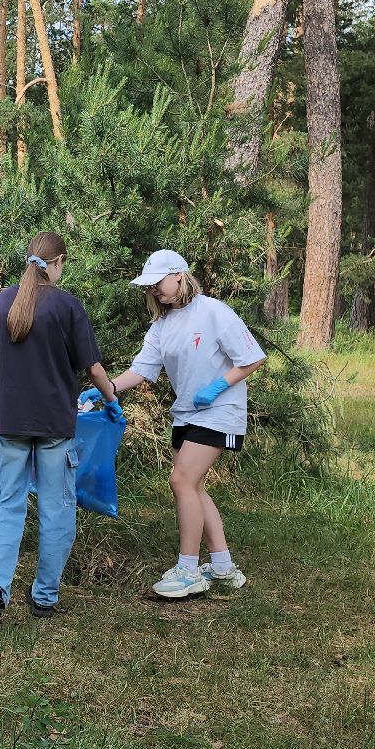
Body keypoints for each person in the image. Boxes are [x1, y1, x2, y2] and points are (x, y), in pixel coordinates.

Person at [84, 249, 267, 599]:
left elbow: (252, 358)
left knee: (181, 479)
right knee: (193, 487)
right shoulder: (161, 326)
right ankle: (223, 568)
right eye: (149, 286)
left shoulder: (214, 312)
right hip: (186, 415)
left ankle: (188, 570)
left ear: (179, 276)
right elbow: (141, 370)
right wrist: (103, 391)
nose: (154, 290)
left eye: (158, 283)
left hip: (219, 410)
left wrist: (216, 387)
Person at [0, 232, 120, 630]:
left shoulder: (3, 302)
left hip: (11, 423)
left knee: (5, 507)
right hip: (56, 425)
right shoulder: (68, 306)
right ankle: (44, 597)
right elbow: (92, 368)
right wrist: (111, 396)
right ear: (57, 263)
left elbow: (0, 364)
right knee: (56, 508)